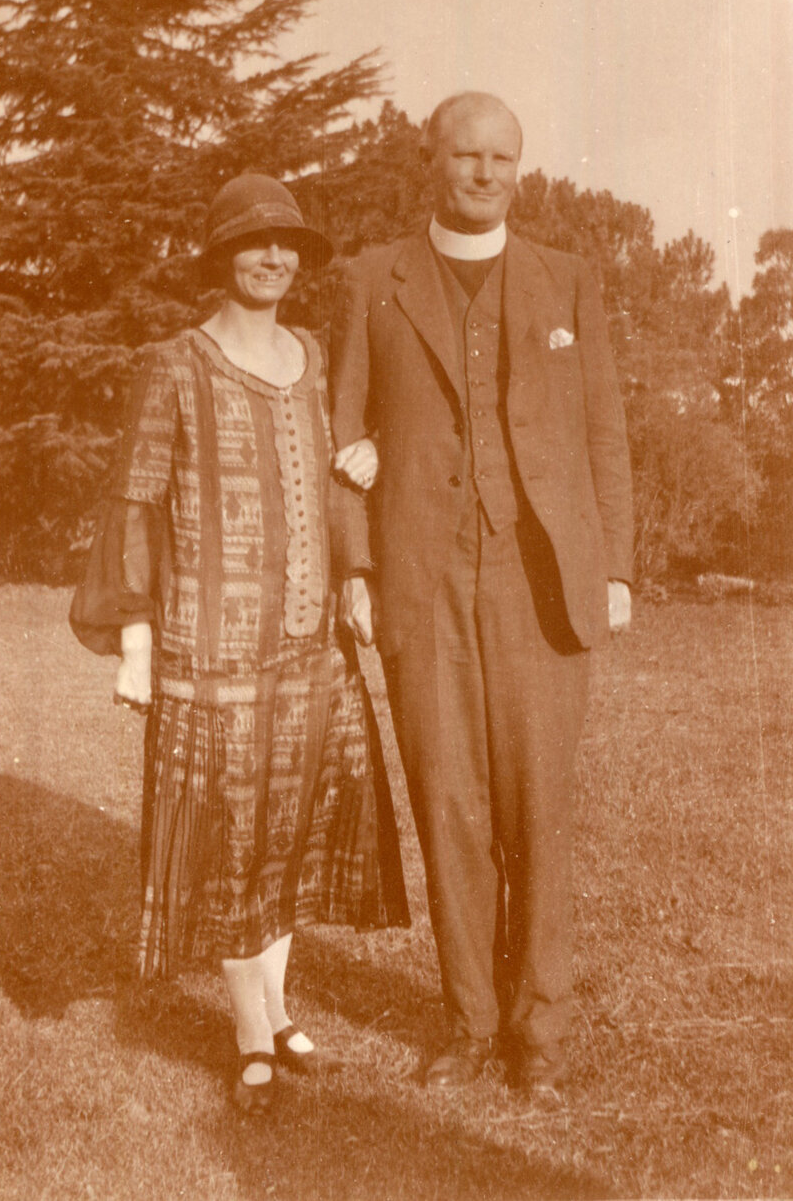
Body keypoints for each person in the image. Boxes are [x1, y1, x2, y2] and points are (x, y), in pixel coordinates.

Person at [70, 173, 408, 1115]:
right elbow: (134, 504)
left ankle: (281, 1004)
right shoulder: (175, 363)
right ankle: (250, 1030)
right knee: (230, 835)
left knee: (292, 830)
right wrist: (137, 645)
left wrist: (359, 550)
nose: (273, 258)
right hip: (208, 647)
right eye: (254, 244)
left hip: (309, 648)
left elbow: (344, 472)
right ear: (221, 258)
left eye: (288, 244)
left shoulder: (314, 351)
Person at [330, 92, 633, 1095]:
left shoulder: (568, 281)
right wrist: (356, 570)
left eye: (502, 158)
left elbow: (602, 434)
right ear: (434, 160)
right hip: (420, 578)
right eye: (466, 156)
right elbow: (343, 438)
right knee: (449, 805)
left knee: (538, 809)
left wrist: (617, 567)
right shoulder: (372, 279)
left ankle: (538, 1041)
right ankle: (467, 1027)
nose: (485, 174)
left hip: (541, 580)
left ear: (519, 167)